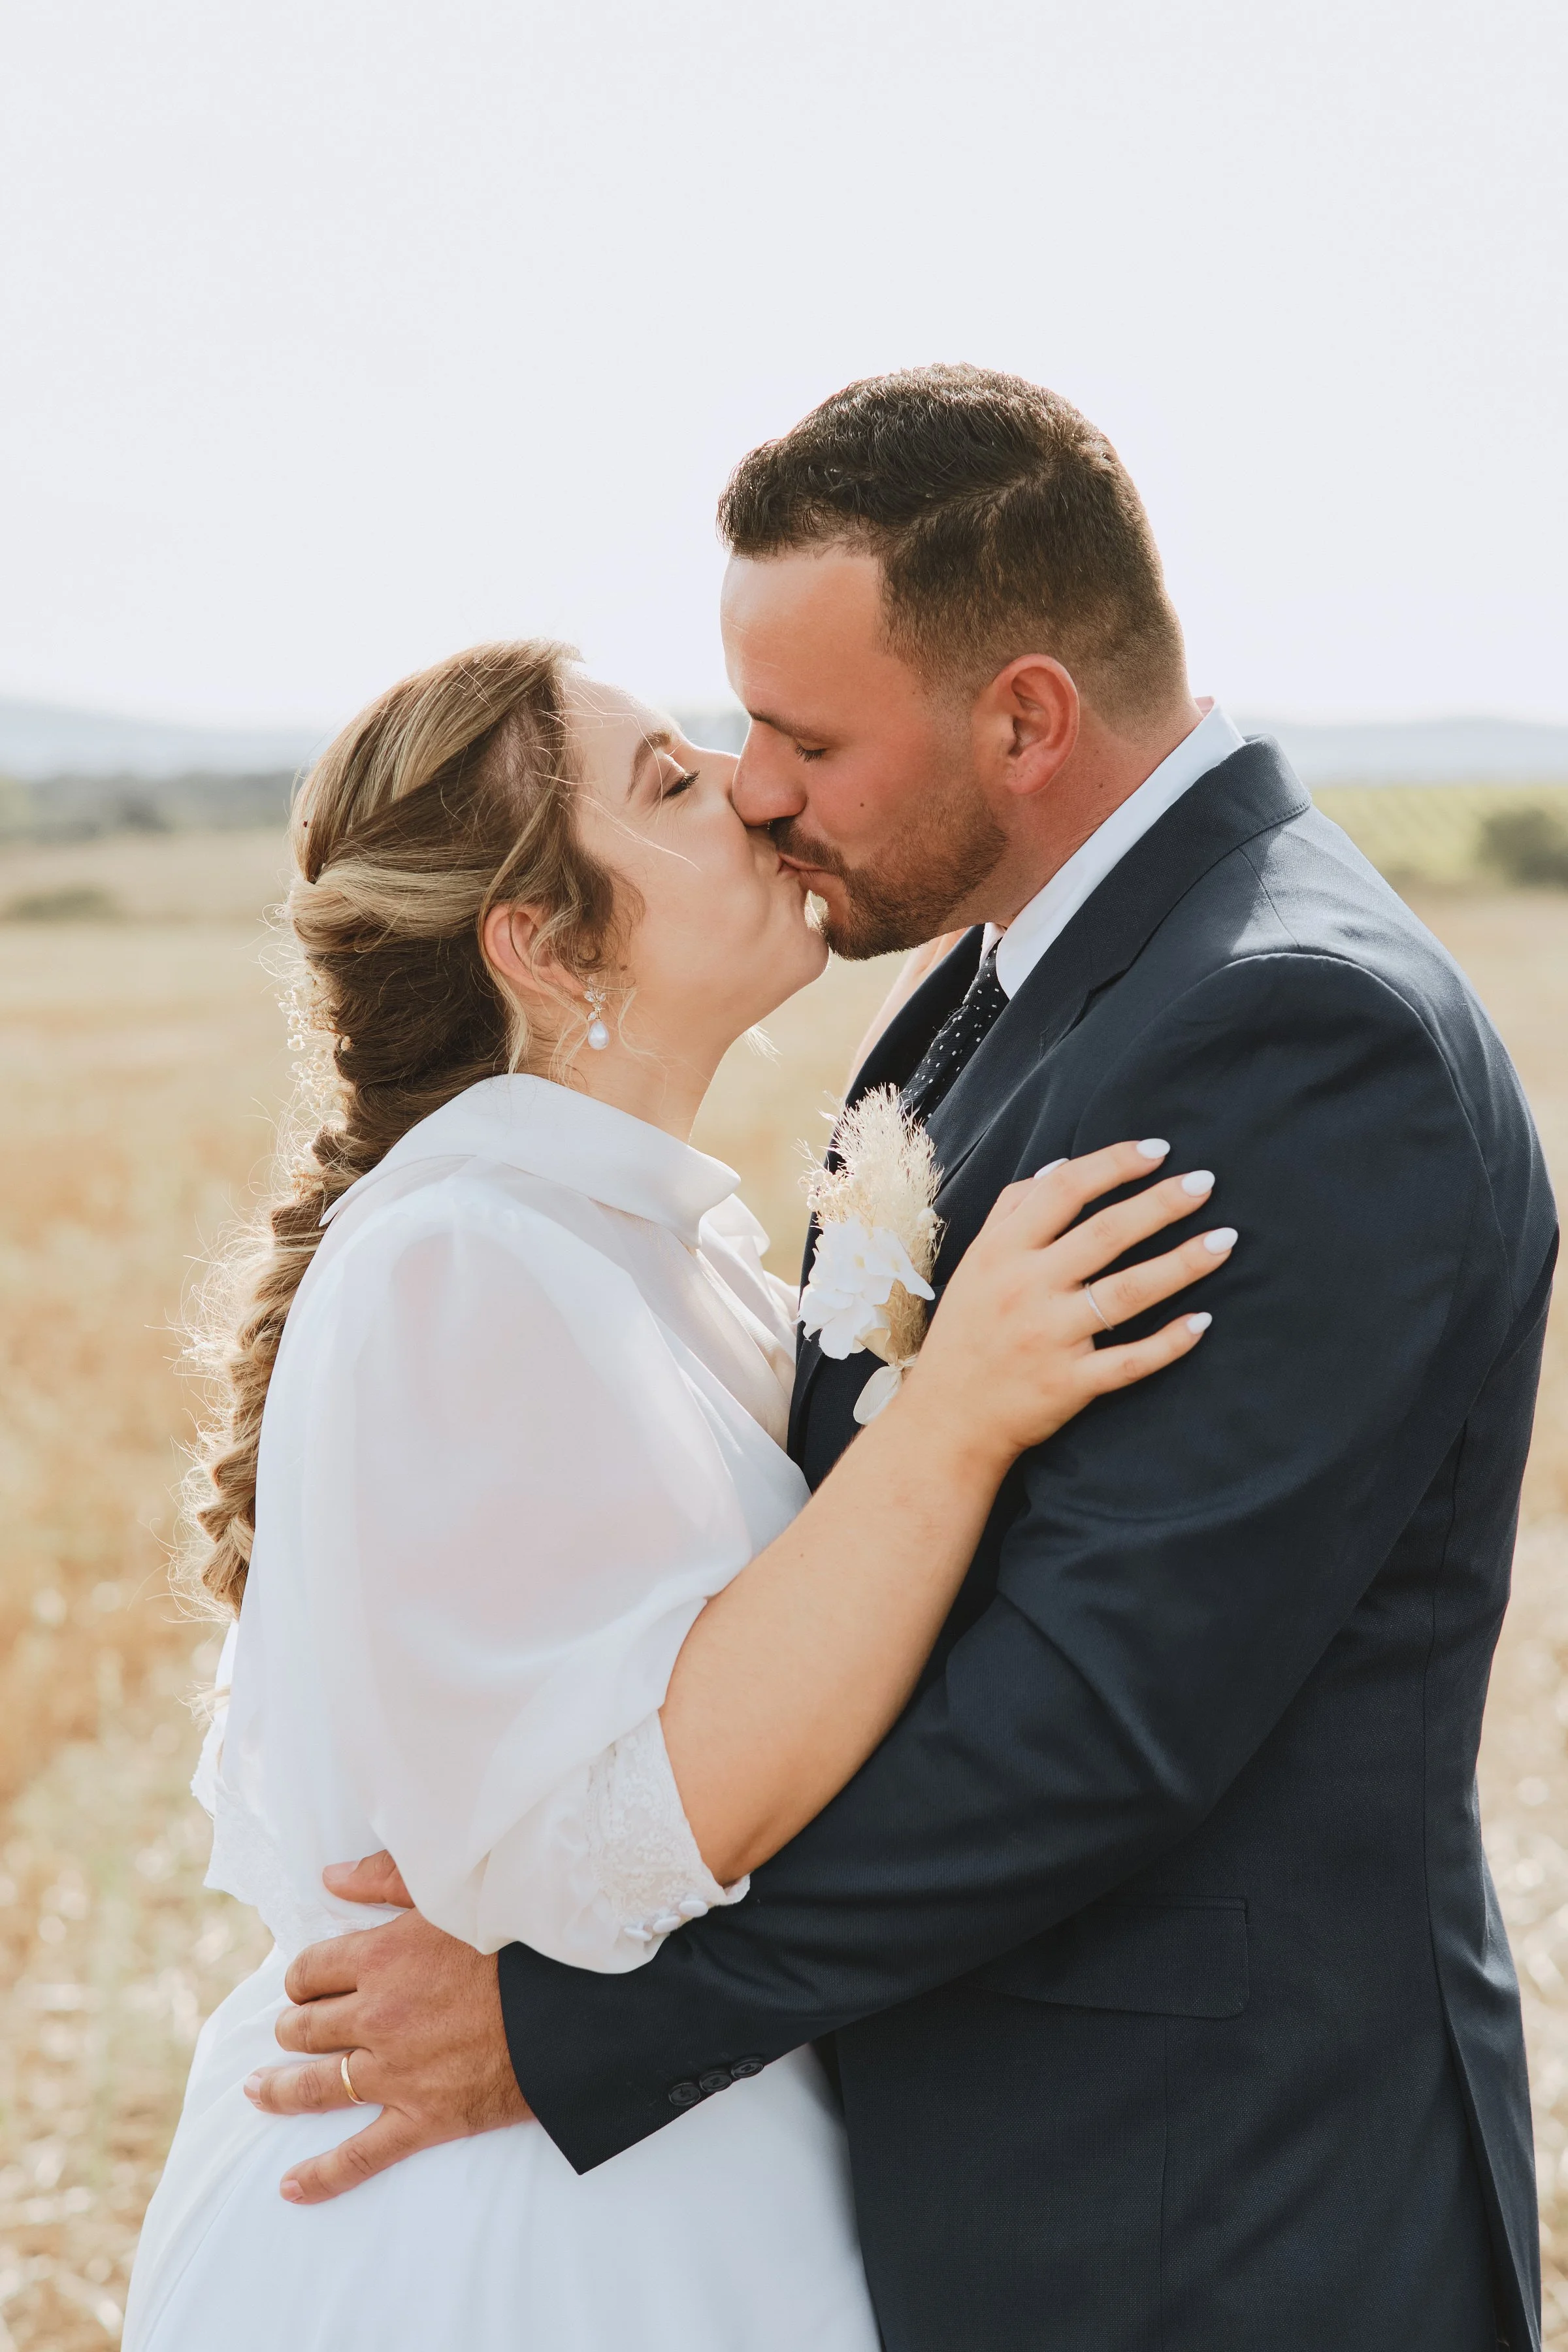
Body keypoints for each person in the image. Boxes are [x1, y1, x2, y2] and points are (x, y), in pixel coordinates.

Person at [248, 368, 1556, 2352]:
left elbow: (1092, 1718)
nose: (762, 788)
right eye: (714, 751)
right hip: (977, 2197)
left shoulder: (1291, 1029)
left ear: (1024, 715)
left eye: (798, 737)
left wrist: (568, 2033)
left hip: (1212, 2221)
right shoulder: (992, 997)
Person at [123, 637, 1224, 2349]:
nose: (752, 784)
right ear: (548, 947)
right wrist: (959, 1419)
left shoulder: (643, 1242)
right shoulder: (460, 1261)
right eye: (667, 781)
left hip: (660, 2149)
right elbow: (593, 1850)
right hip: (521, 2245)